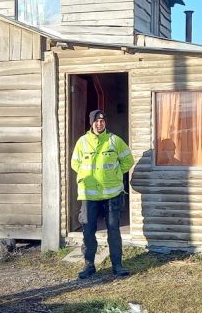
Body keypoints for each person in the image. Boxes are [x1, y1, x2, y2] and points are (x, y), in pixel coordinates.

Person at [71, 109, 134, 279]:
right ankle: (89, 265)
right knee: (88, 231)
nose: (100, 124)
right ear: (91, 123)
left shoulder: (114, 141)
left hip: (112, 194)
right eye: (96, 121)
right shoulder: (82, 142)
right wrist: (87, 178)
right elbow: (75, 163)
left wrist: (115, 174)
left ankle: (118, 265)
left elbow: (128, 160)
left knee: (114, 230)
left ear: (105, 123)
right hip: (89, 195)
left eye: (102, 121)